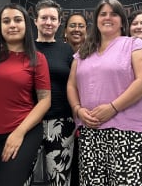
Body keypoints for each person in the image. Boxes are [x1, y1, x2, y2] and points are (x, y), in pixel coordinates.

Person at [67, 0, 142, 185]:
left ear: (122, 21)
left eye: (114, 13)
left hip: (128, 133)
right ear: (96, 20)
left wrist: (113, 107)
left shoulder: (134, 44)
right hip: (91, 133)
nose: (108, 18)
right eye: (103, 14)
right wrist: (78, 110)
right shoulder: (84, 51)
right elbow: (71, 85)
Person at [0, 3, 51, 186]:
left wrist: (19, 133)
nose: (12, 25)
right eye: (6, 21)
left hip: (23, 131)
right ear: (0, 27)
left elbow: (45, 100)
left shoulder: (37, 58)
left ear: (26, 24)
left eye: (18, 20)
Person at [30, 0, 75, 185]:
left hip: (62, 123)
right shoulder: (26, 49)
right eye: (44, 17)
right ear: (36, 21)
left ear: (58, 23)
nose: (48, 22)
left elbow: (74, 85)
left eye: (53, 18)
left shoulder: (66, 49)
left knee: (59, 180)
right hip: (29, 121)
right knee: (23, 176)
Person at [62, 13, 87, 186]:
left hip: (85, 118)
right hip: (59, 117)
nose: (76, 29)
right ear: (64, 31)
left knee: (81, 167)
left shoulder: (92, 54)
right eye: (72, 25)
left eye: (81, 26)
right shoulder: (56, 53)